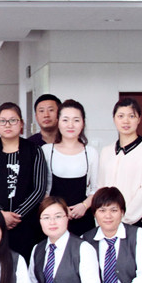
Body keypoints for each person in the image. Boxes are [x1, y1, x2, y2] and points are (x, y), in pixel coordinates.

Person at [0, 102, 47, 260]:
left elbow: (39, 188)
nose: (7, 125)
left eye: (13, 120)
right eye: (2, 121)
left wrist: (17, 215)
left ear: (21, 124)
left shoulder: (35, 150)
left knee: (26, 264)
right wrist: (0, 214)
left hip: (27, 223)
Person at [98, 98, 142, 226]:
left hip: (137, 219)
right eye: (121, 116)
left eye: (131, 116)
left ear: (139, 119)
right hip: (107, 221)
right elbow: (101, 187)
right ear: (114, 119)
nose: (126, 121)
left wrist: (123, 218)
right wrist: (105, 216)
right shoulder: (106, 151)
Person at [42, 99, 99, 236]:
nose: (70, 125)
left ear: (83, 123)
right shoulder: (46, 151)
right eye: (65, 120)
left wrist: (84, 206)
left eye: (76, 120)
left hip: (82, 216)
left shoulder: (91, 152)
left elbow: (96, 188)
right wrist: (59, 210)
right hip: (53, 218)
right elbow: (42, 189)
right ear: (58, 122)